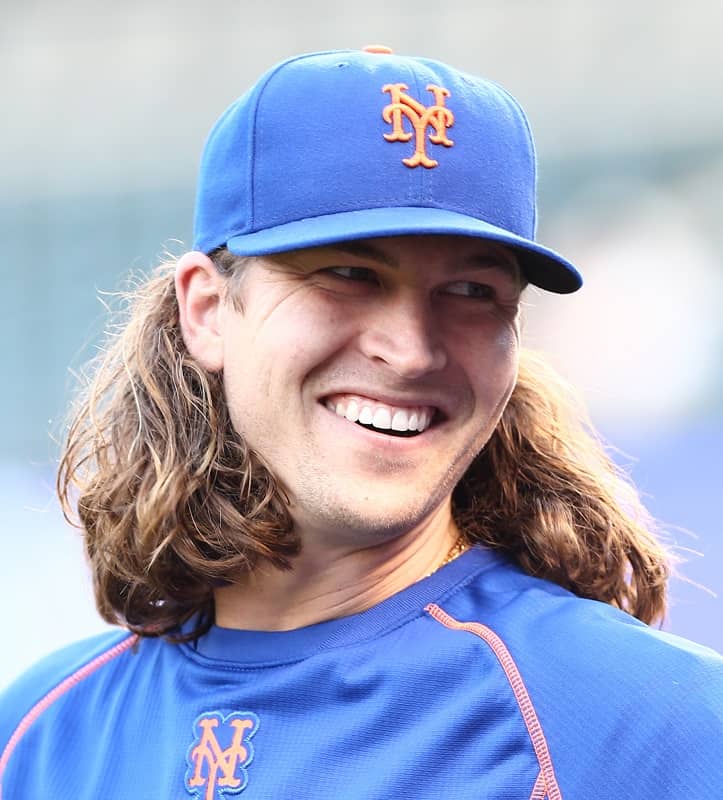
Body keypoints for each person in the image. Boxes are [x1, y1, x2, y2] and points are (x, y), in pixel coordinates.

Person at [1, 45, 721, 800]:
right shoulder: (40, 732)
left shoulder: (651, 726)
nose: (410, 351)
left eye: (472, 291)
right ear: (209, 311)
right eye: (349, 276)